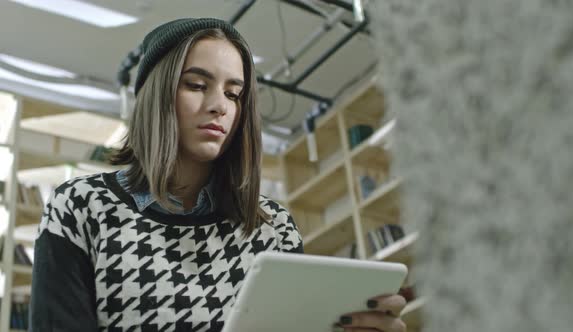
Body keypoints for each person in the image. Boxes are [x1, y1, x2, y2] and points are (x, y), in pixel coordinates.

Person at [29, 17, 407, 332]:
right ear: (155, 96)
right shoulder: (81, 207)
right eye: (196, 85)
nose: (219, 107)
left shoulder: (272, 228)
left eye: (233, 94)